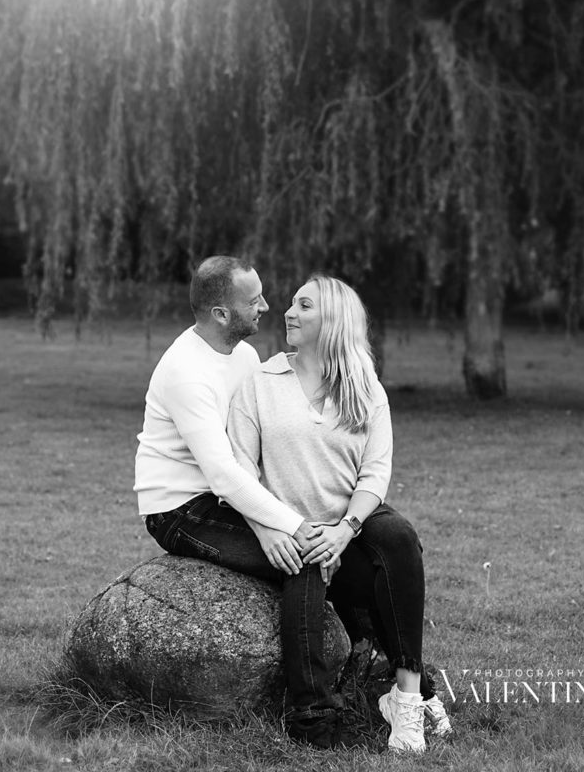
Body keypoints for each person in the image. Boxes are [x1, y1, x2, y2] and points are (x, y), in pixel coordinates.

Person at [227, 273, 453, 754]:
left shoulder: (364, 386)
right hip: (289, 529)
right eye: (291, 303)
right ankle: (314, 718)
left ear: (332, 319)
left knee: (398, 537)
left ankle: (408, 699)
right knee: (305, 565)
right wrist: (276, 528)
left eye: (303, 305)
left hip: (354, 523)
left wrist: (345, 530)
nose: (288, 311)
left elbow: (375, 474)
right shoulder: (260, 383)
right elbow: (241, 474)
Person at [134, 255, 346, 746]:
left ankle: (370, 667)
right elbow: (223, 474)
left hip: (224, 497)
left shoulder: (245, 357)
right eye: (254, 302)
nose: (268, 307)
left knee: (314, 543)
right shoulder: (187, 372)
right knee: (304, 557)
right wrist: (286, 526)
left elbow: (245, 454)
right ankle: (311, 717)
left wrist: (278, 518)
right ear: (222, 315)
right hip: (180, 510)